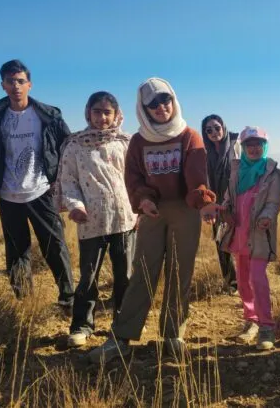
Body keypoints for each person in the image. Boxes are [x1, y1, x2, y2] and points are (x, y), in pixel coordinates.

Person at [88, 77, 216, 363]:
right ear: (143, 108)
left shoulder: (188, 136)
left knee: (179, 272)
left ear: (173, 99)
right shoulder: (139, 140)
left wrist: (202, 201)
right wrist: (143, 200)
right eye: (153, 103)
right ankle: (122, 337)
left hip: (185, 209)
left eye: (165, 100)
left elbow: (196, 178)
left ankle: (173, 334)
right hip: (152, 211)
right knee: (144, 271)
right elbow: (132, 178)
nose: (161, 107)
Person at [0, 59, 75, 308]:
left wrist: (63, 183)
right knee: (17, 252)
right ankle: (25, 302)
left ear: (29, 84)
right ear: (3, 86)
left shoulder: (48, 116)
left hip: (42, 191)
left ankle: (68, 297)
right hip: (9, 195)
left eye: (20, 81)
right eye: (10, 81)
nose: (16, 86)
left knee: (55, 246)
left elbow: (68, 147)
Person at [57, 91, 137, 347]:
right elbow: (68, 181)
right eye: (97, 112)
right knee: (88, 276)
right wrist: (75, 206)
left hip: (124, 220)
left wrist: (139, 210)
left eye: (107, 112)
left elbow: (136, 180)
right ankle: (82, 325)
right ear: (88, 113)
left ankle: (122, 327)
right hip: (90, 221)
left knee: (124, 275)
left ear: (115, 115)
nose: (102, 117)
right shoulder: (75, 145)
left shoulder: (125, 143)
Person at [215, 126, 280, 350]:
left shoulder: (273, 173)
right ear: (243, 148)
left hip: (259, 235)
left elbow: (274, 203)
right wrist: (225, 207)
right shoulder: (237, 171)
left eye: (258, 144)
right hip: (238, 234)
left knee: (257, 279)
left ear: (264, 146)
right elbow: (229, 197)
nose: (253, 149)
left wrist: (266, 217)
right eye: (249, 145)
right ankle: (250, 320)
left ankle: (266, 326)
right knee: (243, 281)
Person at [201, 114, 241, 294]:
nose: (214, 132)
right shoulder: (206, 152)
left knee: (241, 242)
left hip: (237, 202)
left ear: (223, 127)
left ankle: (246, 280)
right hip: (217, 205)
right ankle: (231, 282)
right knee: (221, 242)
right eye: (208, 130)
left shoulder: (236, 145)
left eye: (216, 127)